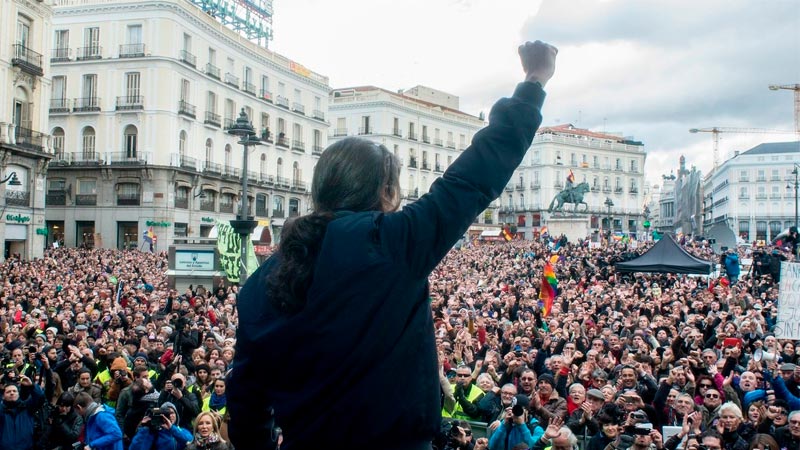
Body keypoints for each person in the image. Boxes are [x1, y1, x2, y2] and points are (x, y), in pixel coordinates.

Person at [228, 39, 558, 450]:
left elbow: (245, 403)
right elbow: (473, 178)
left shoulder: (261, 282)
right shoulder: (392, 243)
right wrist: (533, 81)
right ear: (384, 190)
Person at [0, 375, 45, 450]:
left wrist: (32, 385)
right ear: (3, 396)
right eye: (8, 392)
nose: (12, 393)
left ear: (18, 394)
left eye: (14, 391)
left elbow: (40, 398)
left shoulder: (27, 407)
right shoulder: (1, 410)